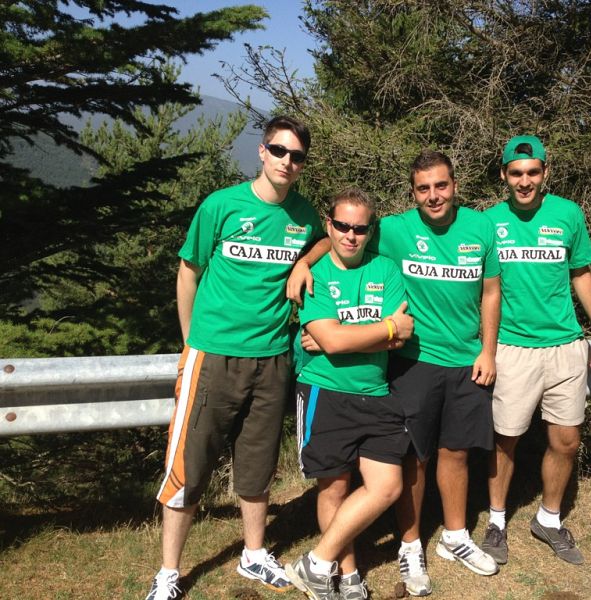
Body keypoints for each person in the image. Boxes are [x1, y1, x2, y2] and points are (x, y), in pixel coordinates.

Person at [289, 150, 502, 596]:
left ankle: (456, 537)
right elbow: (344, 237)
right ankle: (407, 547)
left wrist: (488, 350)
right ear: (413, 193)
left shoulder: (480, 227)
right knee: (413, 460)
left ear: (455, 185)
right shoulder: (395, 229)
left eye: (441, 185)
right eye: (424, 188)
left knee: (456, 452)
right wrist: (304, 263)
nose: (433, 195)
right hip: (411, 366)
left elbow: (490, 291)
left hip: (462, 359)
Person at [145, 116, 326, 600]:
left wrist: (305, 261)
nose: (288, 161)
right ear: (262, 153)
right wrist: (191, 342)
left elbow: (329, 235)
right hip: (213, 355)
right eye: (280, 151)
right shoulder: (221, 205)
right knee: (190, 464)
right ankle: (168, 574)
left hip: (270, 359)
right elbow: (188, 271)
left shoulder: (304, 216)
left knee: (257, 463)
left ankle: (253, 554)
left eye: (297, 156)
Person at [480, 135, 591, 567]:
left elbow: (581, 274)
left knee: (566, 440)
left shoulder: (568, 214)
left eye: (532, 172)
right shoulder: (488, 223)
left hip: (565, 347)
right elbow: (480, 290)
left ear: (545, 174)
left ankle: (549, 519)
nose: (524, 181)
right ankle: (497, 521)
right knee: (505, 440)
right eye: (516, 173)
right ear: (503, 175)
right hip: (512, 348)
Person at [286, 188, 414, 600]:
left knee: (387, 487)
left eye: (360, 228)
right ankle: (348, 574)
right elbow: (342, 340)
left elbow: (401, 335)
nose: (350, 235)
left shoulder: (387, 270)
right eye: (342, 226)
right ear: (329, 225)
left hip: (376, 392)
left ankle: (315, 563)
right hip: (326, 390)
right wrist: (381, 331)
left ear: (370, 230)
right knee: (335, 487)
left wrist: (340, 338)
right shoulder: (315, 274)